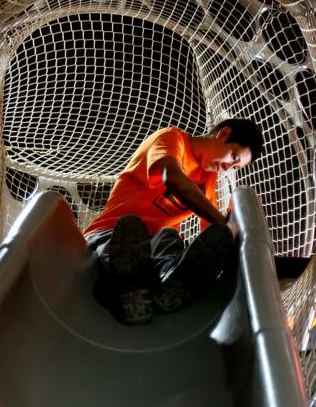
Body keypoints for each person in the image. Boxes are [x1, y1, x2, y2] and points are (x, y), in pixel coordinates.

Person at [83, 119, 264, 325]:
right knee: (130, 234)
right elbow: (173, 178)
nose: (227, 168)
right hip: (112, 231)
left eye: (235, 167)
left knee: (170, 238)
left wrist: (232, 235)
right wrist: (224, 222)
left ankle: (168, 283)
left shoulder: (208, 179)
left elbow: (213, 235)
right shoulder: (172, 139)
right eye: (233, 157)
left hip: (155, 245)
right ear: (223, 134)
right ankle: (125, 283)